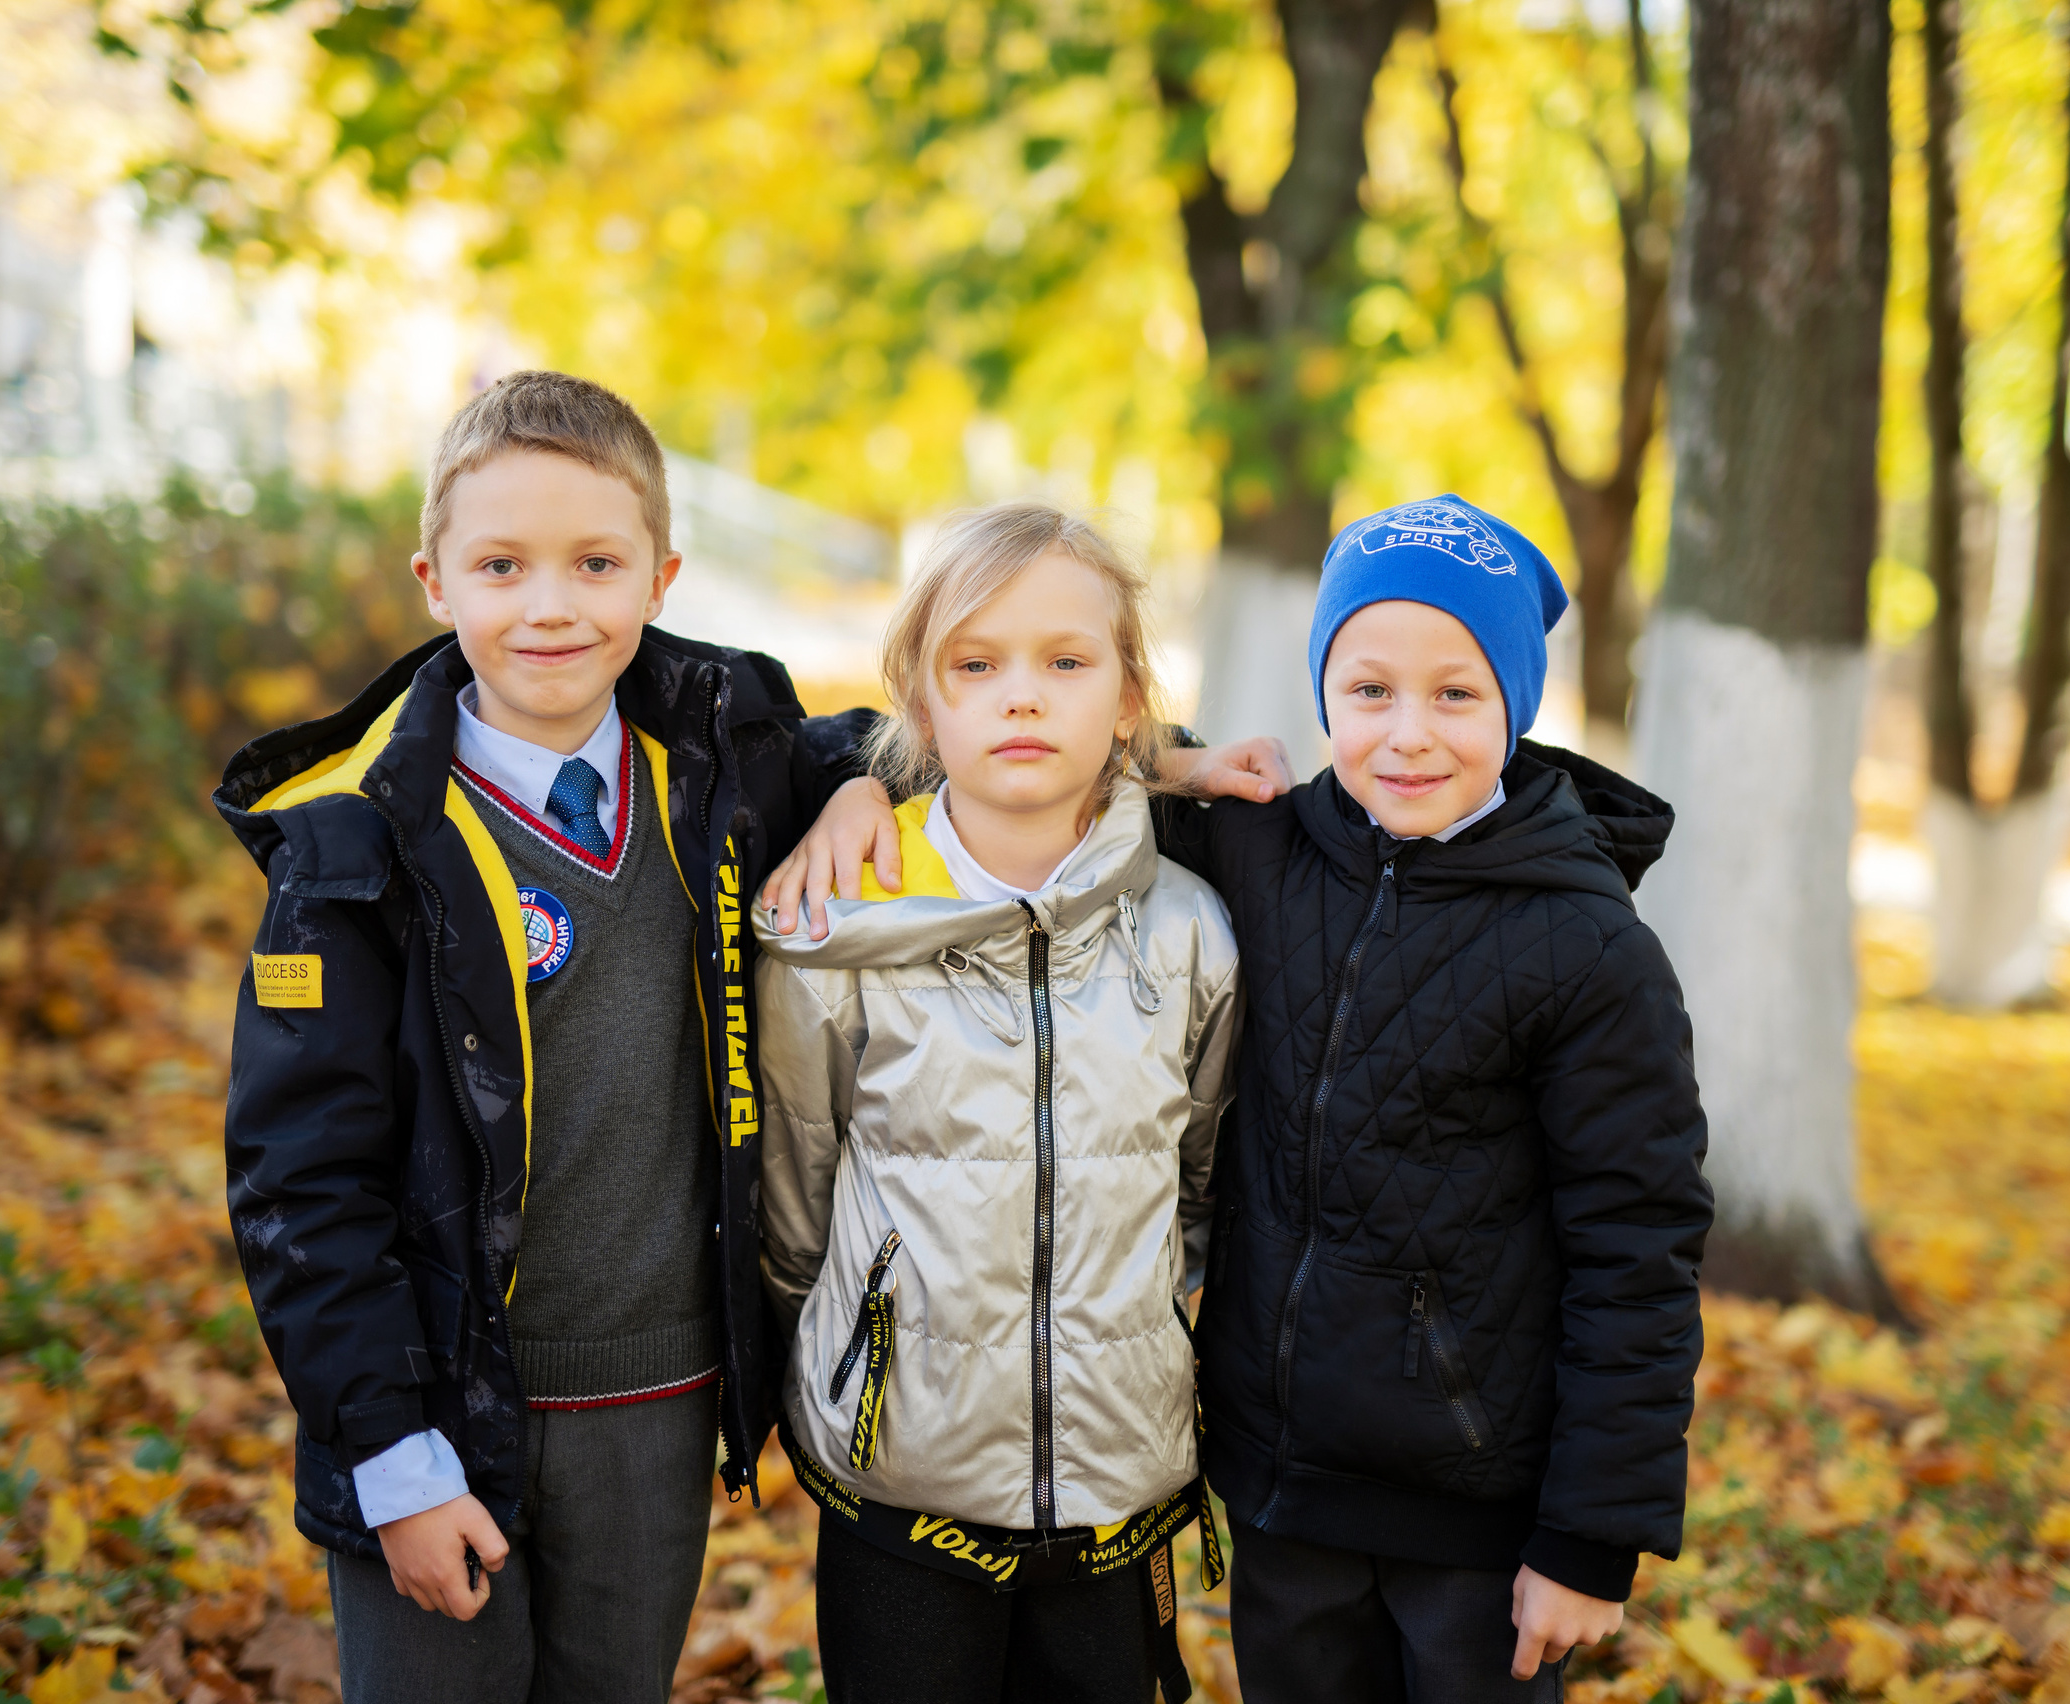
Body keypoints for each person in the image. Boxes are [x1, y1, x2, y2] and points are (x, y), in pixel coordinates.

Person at [767, 494, 1712, 1704]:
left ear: (1518, 706)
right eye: (1368, 691)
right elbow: (1019, 747)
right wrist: (856, 782)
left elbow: (1639, 1245)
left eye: (1458, 695)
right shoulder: (1267, 852)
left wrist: (1592, 1532)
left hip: (1479, 1503)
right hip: (1277, 1486)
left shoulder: (1586, 947)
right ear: (1325, 696)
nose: (1408, 733)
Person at [214, 370, 888, 1704]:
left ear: (660, 574)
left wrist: (869, 783)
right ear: (435, 581)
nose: (549, 604)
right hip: (441, 1408)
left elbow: (966, 742)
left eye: (595, 562)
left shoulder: (716, 769)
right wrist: (393, 1462)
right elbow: (303, 1186)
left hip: (656, 1396)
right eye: (502, 564)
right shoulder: (355, 847)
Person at [751, 502, 1243, 1704]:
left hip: (1116, 1479)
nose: (1021, 697)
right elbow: (795, 1202)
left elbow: (1204, 1182)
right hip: (896, 1474)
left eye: (1066, 663)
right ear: (924, 707)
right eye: (976, 665)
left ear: (1128, 702)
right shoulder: (839, 931)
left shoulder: (1190, 929)